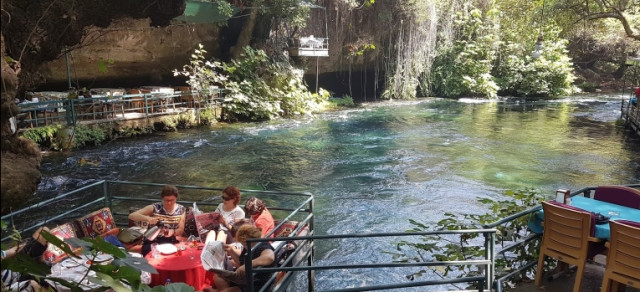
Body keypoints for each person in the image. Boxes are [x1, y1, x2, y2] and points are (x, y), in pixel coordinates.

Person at [204, 225, 275, 292]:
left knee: (227, 287)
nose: (242, 245)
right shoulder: (249, 246)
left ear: (245, 240)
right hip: (248, 278)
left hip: (257, 283)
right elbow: (241, 262)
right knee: (219, 275)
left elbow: (269, 257)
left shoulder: (262, 246)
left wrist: (247, 265)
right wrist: (231, 251)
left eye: (242, 243)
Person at [128, 185, 186, 256]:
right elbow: (132, 216)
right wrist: (148, 219)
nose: (169, 203)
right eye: (166, 200)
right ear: (162, 198)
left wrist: (172, 232)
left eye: (172, 200)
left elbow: (181, 230)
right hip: (153, 240)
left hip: (170, 240)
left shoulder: (181, 209)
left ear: (176, 198)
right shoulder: (155, 207)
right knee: (149, 253)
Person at [1, 227, 50, 292]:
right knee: (33, 284)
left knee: (44, 231)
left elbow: (12, 251)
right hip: (14, 284)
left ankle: (41, 260)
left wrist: (29, 244)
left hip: (15, 267)